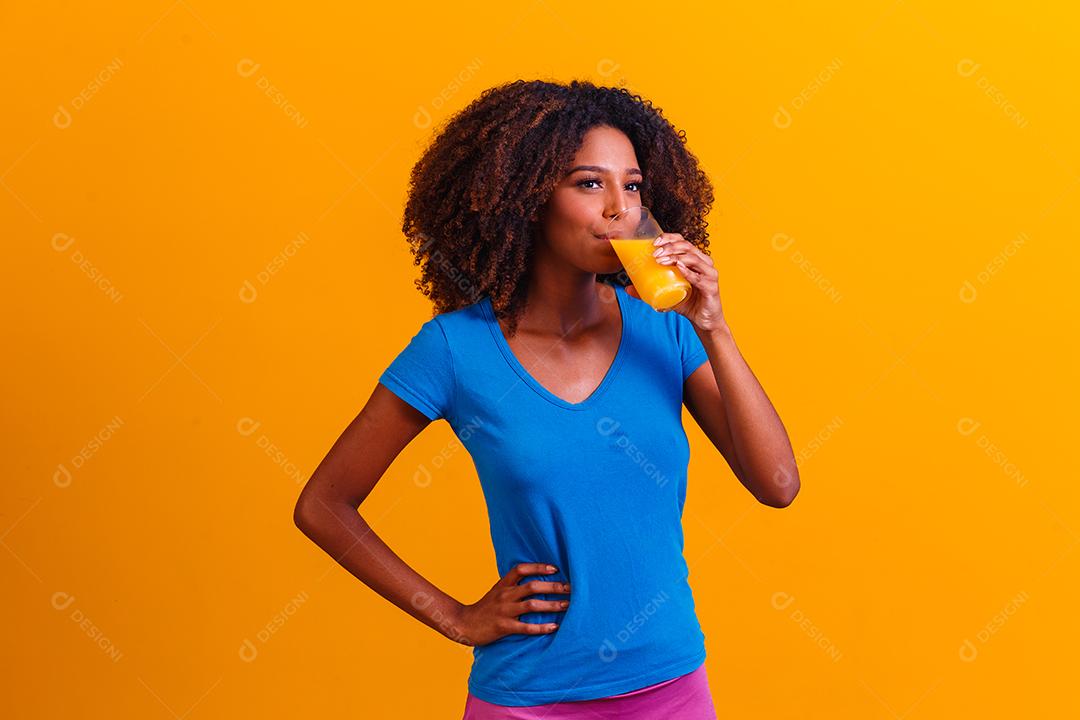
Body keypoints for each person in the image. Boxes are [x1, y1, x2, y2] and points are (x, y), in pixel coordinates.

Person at [294, 79, 800, 719]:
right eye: (590, 184)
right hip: (530, 700)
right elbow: (323, 505)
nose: (620, 207)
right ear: (529, 199)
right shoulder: (455, 350)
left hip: (671, 691)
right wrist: (452, 616)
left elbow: (777, 483)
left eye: (633, 185)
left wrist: (713, 326)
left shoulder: (665, 330)